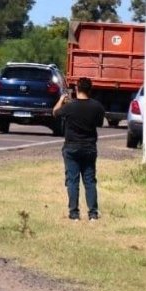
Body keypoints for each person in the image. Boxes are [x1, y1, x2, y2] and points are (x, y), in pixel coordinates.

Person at [52, 77, 105, 221]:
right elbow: (99, 123)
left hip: (71, 147)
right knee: (89, 180)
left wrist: (62, 99)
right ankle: (93, 213)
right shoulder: (97, 107)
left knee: (73, 181)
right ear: (90, 90)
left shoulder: (70, 106)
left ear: (77, 89)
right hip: (89, 147)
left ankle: (74, 213)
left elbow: (55, 112)